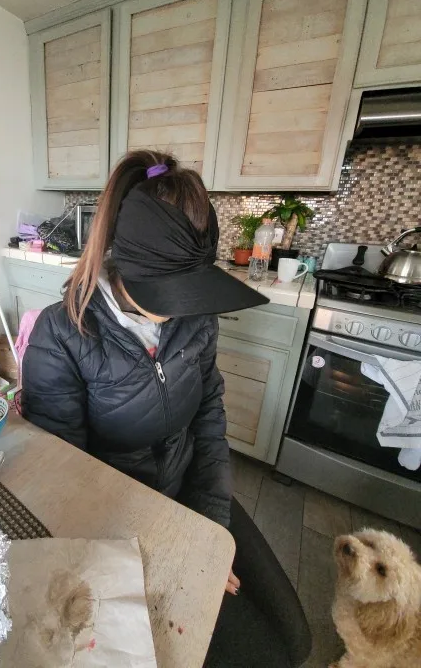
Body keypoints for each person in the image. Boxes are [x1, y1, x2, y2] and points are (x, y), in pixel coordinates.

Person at [21, 150, 268, 595]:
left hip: (187, 494)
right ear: (127, 267)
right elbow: (65, 473)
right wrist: (156, 545)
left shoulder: (197, 319)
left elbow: (208, 418)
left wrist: (211, 524)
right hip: (112, 520)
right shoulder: (61, 337)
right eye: (172, 292)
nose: (182, 309)